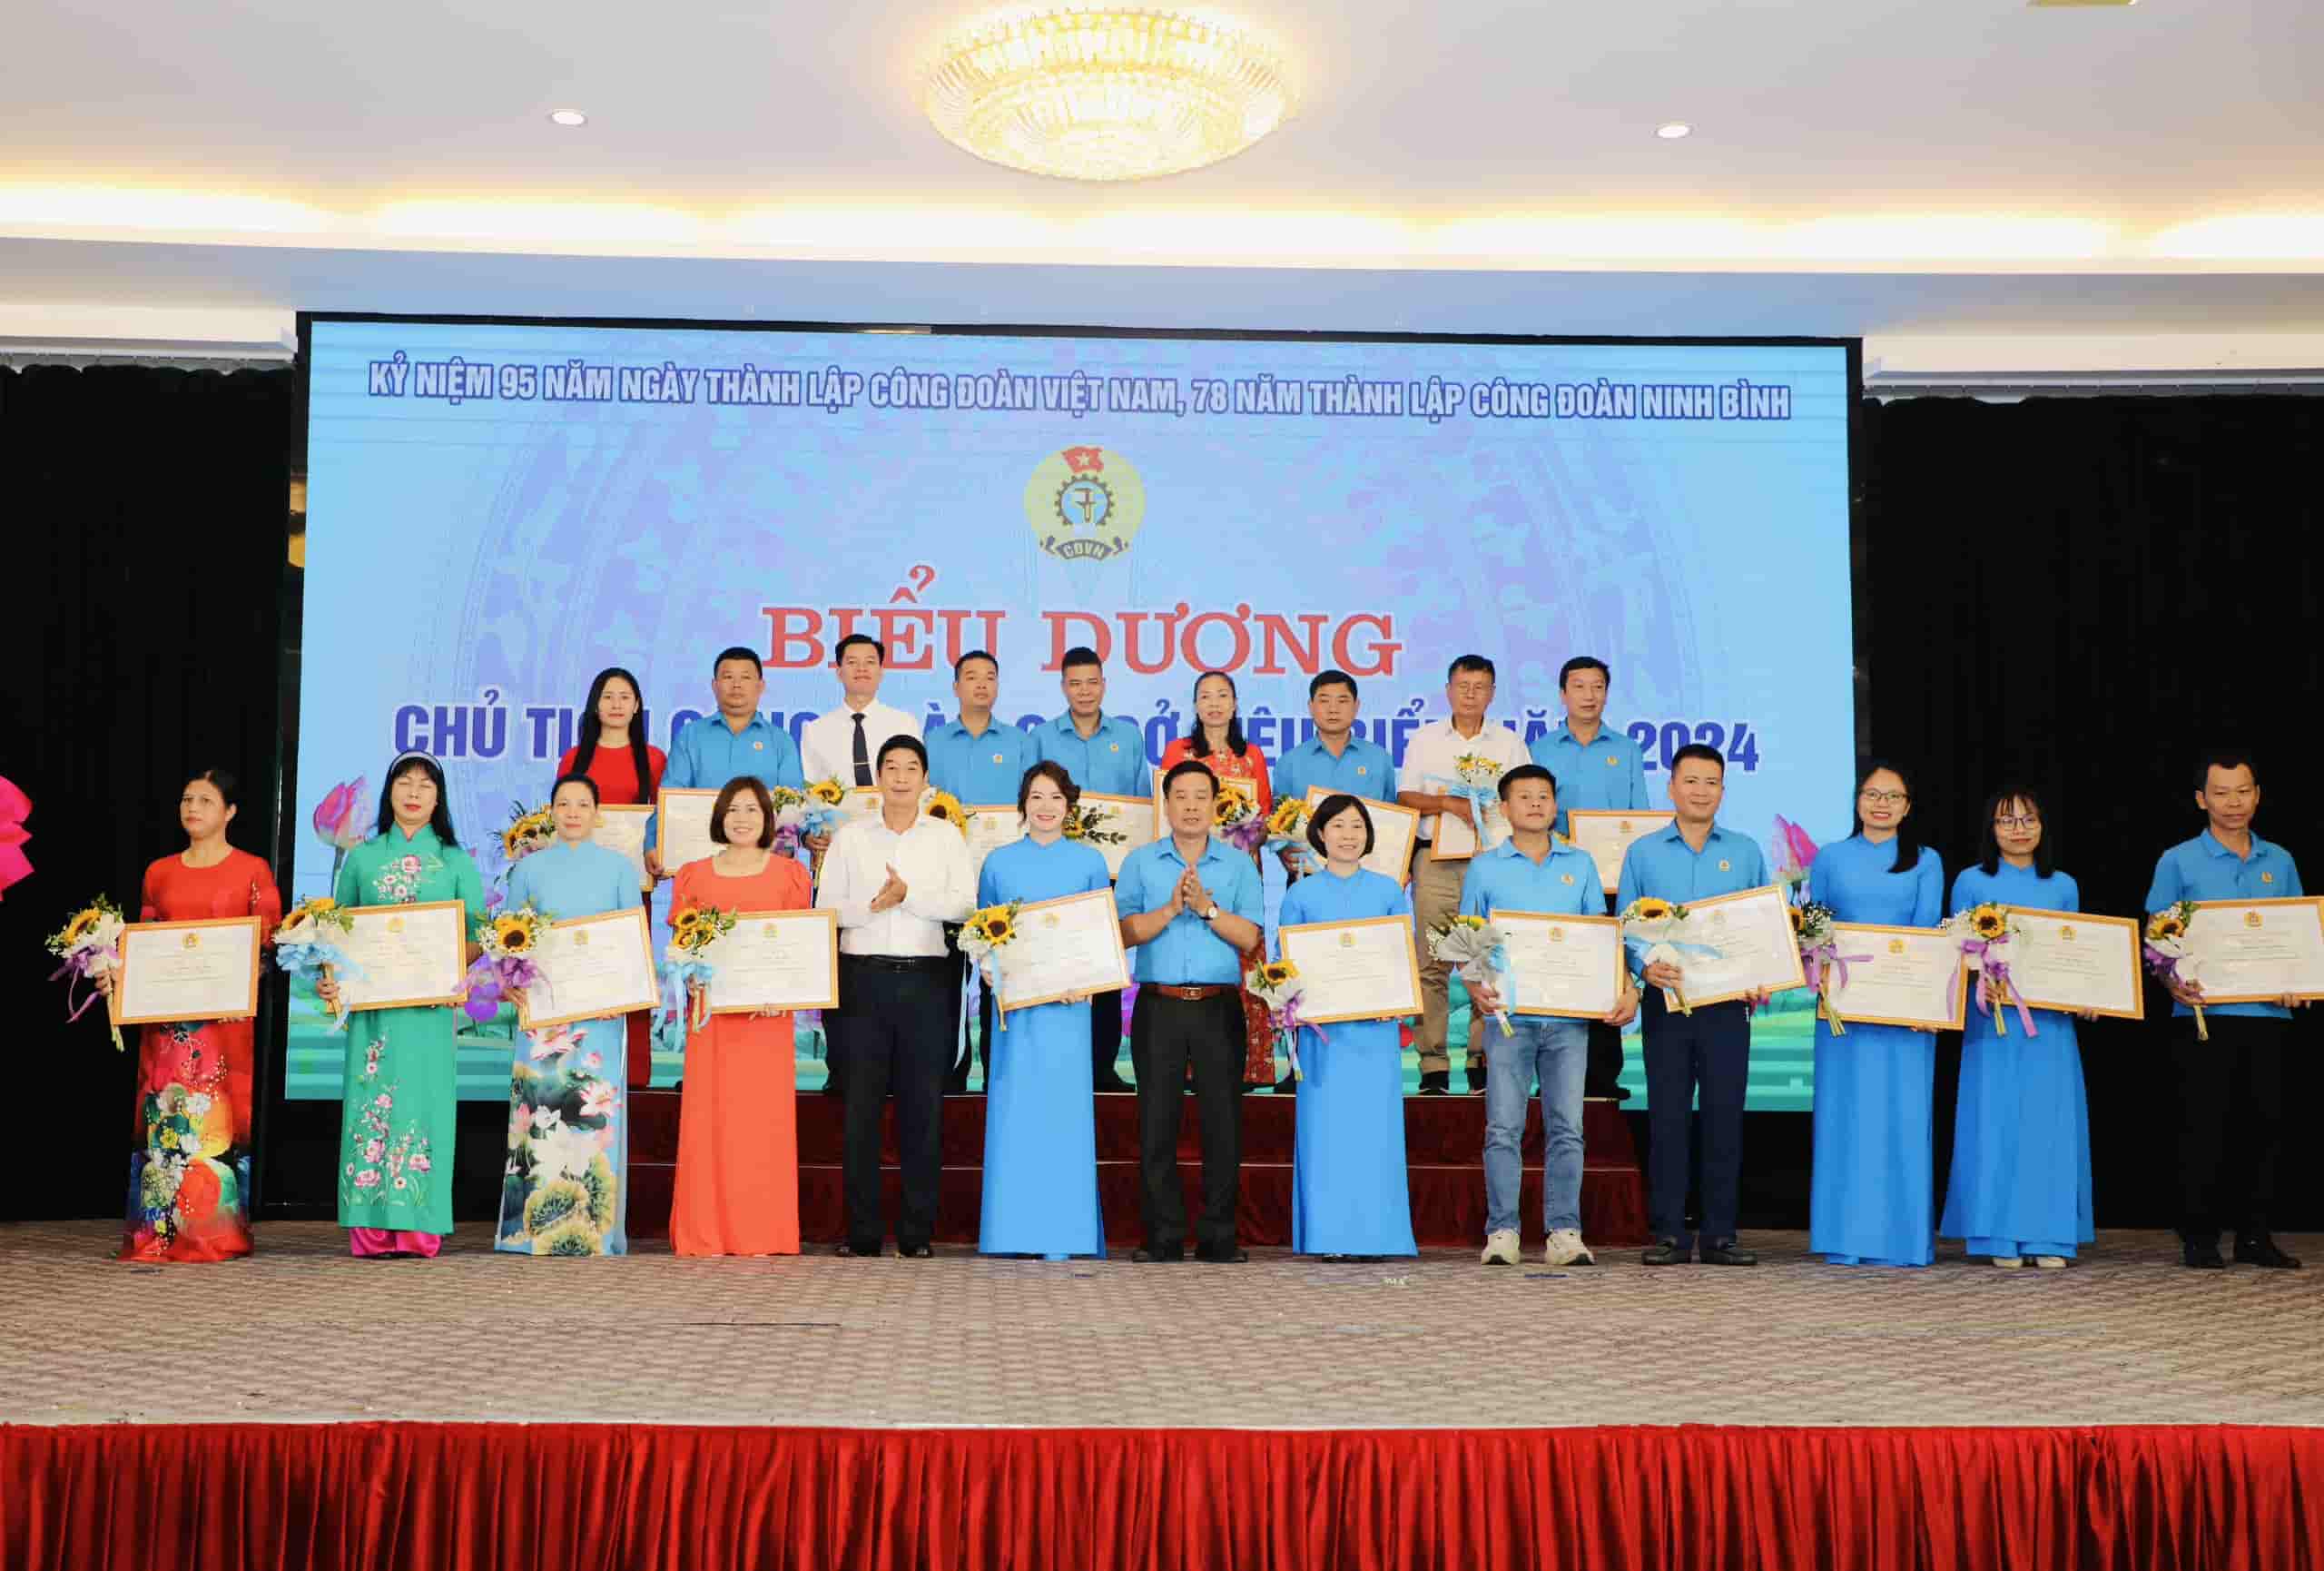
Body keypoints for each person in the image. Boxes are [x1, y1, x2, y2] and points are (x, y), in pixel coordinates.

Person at [1461, 766, 1639, 1266]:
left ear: (1555, 805)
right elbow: (1467, 941)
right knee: (1503, 1127)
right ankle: (1502, 1232)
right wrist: (1475, 984)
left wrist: (1623, 985)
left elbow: (1598, 937)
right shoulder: (1485, 867)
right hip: (1508, 1019)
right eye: (1524, 796)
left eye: (1544, 795)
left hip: (1567, 1019)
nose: (1535, 804)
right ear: (1504, 808)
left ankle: (1564, 1231)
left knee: (1567, 1126)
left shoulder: (1579, 864)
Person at [2144, 749, 2306, 1270]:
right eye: (2221, 792)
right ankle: (2200, 1237)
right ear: (2201, 799)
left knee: (2264, 1127)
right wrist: (2171, 982)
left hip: (2268, 1016)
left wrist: (2298, 982)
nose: (2233, 802)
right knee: (2202, 1127)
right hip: (2202, 1016)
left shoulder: (2279, 861)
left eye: (2243, 791)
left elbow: (2299, 936)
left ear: (2257, 795)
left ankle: (2256, 1236)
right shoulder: (2177, 860)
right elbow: (2156, 937)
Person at [320, 753, 485, 1259]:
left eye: (425, 786)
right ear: (391, 794)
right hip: (374, 1013)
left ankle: (418, 1227)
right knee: (372, 1105)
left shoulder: (456, 861)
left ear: (439, 799)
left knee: (423, 1107)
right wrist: (331, 980)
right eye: (404, 784)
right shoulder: (362, 858)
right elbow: (335, 931)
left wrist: (449, 964)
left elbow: (477, 935)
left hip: (429, 1013)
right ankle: (370, 1230)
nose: (414, 793)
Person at [113, 768, 282, 1262]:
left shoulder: (251, 869)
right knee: (166, 1116)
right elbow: (144, 941)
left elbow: (266, 942)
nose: (193, 808)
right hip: (166, 1023)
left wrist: (241, 970)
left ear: (230, 812)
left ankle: (215, 1230)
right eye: (187, 799)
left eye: (206, 801)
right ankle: (159, 1231)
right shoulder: (159, 871)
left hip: (223, 1025)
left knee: (214, 1123)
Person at [817, 736, 973, 1257]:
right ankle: (862, 1232)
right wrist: (876, 905)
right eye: (892, 767)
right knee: (860, 1110)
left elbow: (964, 906)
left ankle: (916, 1232)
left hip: (927, 982)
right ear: (878, 777)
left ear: (926, 780)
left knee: (921, 1109)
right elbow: (827, 909)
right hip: (861, 981)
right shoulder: (851, 837)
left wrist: (910, 898)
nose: (901, 777)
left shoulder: (946, 837)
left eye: (912, 768)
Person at [1616, 744, 1767, 1267]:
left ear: (1723, 790)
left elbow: (1760, 926)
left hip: (1726, 1006)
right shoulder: (1643, 852)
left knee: (1725, 1116)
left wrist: (1760, 974)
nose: (1701, 791)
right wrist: (1641, 967)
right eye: (1692, 781)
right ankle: (1668, 1233)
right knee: (1668, 1117)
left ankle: (1721, 1232)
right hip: (1667, 1004)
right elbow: (1626, 928)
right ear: (1672, 788)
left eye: (1712, 782)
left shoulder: (1746, 851)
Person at [1939, 786, 2095, 1270]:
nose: (2018, 830)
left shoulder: (2063, 886)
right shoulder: (1969, 881)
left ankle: (2050, 1236)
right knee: (1993, 1124)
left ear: (2043, 827)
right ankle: (1995, 1235)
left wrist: (2090, 994)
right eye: (2007, 821)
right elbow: (1952, 950)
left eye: (2028, 820)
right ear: (1991, 829)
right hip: (1993, 1025)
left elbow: (2080, 956)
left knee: (2048, 1126)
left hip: (2049, 1028)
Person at [1116, 760, 1264, 1262]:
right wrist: (1168, 912)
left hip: (1218, 1008)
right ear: (1167, 803)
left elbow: (1251, 938)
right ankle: (1162, 1236)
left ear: (1216, 804)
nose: (1192, 806)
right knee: (1156, 1124)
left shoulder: (1239, 865)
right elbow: (1120, 933)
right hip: (1158, 1007)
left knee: (1223, 1124)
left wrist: (1207, 908)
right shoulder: (1140, 862)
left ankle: (1219, 1236)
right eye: (1182, 796)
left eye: (1202, 796)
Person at [496, 773, 644, 1257]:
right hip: (544, 1013)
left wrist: (627, 986)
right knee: (539, 1110)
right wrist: (511, 982)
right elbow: (508, 936)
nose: (573, 812)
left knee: (590, 1110)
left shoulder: (620, 868)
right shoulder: (528, 870)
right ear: (552, 812)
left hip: (600, 1013)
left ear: (597, 813)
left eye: (583, 803)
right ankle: (530, 1229)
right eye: (564, 803)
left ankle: (594, 1228)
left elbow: (629, 940)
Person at [1807, 760, 1945, 1267]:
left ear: (1907, 807)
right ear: (1857, 800)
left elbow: (1929, 932)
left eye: (1893, 795)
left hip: (1905, 1014)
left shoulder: (1926, 860)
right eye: (1872, 793)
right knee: (1848, 1119)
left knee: (1904, 1119)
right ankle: (1844, 1236)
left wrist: (1917, 994)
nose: (1881, 803)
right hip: (1844, 1013)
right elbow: (1814, 929)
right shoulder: (1830, 857)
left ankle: (1903, 1239)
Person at [668, 776, 812, 1257]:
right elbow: (681, 948)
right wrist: (687, 975)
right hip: (711, 1021)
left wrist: (786, 990)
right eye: (733, 809)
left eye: (753, 809)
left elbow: (796, 948)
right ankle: (705, 1231)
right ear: (719, 817)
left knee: (760, 1126)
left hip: (766, 1022)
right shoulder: (693, 876)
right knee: (711, 1124)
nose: (743, 818)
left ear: (768, 818)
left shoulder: (791, 876)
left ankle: (761, 1231)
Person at [976, 761, 1113, 1259]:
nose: (1046, 807)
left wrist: (1090, 980)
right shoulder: (998, 862)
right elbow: (983, 930)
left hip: (1069, 1007)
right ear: (1022, 805)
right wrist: (989, 966)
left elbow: (1100, 931)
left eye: (1055, 797)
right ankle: (1011, 1233)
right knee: (1017, 1111)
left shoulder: (1089, 861)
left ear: (1069, 806)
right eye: (1036, 797)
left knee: (1063, 1113)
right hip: (1017, 1010)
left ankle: (1064, 1233)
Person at [1278, 795, 1418, 1260]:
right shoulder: (1300, 894)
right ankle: (1331, 1237)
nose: (1348, 835)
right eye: (1337, 825)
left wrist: (1395, 998)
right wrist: (1290, 997)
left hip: (1374, 1034)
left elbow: (1402, 956)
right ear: (1319, 834)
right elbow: (1283, 965)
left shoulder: (1387, 890)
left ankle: (1379, 1236)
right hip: (1324, 1036)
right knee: (1328, 1135)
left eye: (1357, 826)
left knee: (1374, 1133)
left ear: (1369, 835)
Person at [1396, 654, 1529, 1094]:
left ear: (1492, 693)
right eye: (1463, 686)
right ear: (1449, 690)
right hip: (1435, 861)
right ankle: (1433, 1064)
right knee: (1432, 964)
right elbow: (1407, 796)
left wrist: (1491, 802)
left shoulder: (1508, 743)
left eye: (1481, 687)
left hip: (1492, 863)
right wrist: (1451, 804)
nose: (1471, 694)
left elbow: (1525, 794)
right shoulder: (1426, 739)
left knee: (1488, 959)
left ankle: (1482, 1060)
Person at [1531, 656, 1652, 1102]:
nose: (1588, 695)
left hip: (1614, 876)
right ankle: (1554, 1071)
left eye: (1596, 686)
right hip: (1556, 874)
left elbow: (1639, 816)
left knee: (1608, 964)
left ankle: (1603, 1073)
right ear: (1563, 694)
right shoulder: (1541, 749)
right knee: (1561, 963)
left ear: (1606, 692)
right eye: (1578, 686)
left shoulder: (1627, 749)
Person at [1034, 646, 1147, 1092]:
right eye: (1075, 683)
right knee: (1057, 964)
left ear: (1104, 684)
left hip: (1112, 873)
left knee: (1104, 965)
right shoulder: (1042, 737)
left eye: (1092, 682)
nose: (1084, 691)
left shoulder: (1129, 737)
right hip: (1054, 869)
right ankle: (1056, 1058)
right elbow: (1033, 801)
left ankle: (1102, 1064)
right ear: (1063, 687)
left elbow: (1141, 806)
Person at [1159, 670, 1276, 1087]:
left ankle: (1248, 1064)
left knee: (1243, 953)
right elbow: (1167, 808)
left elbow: (1265, 820)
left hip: (1241, 867)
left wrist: (1244, 829)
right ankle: (1188, 1063)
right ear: (1194, 705)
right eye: (1205, 696)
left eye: (1222, 695)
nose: (1214, 703)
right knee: (1192, 950)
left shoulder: (1253, 757)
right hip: (1190, 863)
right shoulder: (1180, 750)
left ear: (1234, 703)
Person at [927, 648, 1035, 1092]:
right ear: (955, 687)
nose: (981, 684)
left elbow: (1033, 810)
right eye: (971, 677)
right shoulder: (931, 743)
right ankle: (950, 1074)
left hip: (1003, 883)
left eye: (990, 676)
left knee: (1001, 979)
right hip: (945, 881)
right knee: (948, 982)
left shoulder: (1019, 743)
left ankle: (1000, 1076)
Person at [556, 666, 668, 1091]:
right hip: (576, 887)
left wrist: (659, 858)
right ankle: (578, 1068)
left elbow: (664, 822)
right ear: (595, 705)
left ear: (637, 705)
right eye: (608, 696)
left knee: (632, 975)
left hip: (632, 887)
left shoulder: (654, 759)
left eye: (625, 697)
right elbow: (562, 818)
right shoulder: (574, 758)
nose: (617, 704)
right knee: (581, 970)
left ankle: (636, 1077)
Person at [656, 647, 805, 874]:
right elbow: (670, 796)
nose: (736, 685)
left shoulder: (781, 741)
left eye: (745, 677)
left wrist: (786, 850)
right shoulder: (691, 735)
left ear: (761, 686)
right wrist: (653, 843)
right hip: (701, 859)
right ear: (714, 685)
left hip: (764, 865)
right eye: (728, 677)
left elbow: (793, 806)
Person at [800, 633, 920, 789]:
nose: (861, 669)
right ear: (839, 673)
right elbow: (812, 792)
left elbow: (917, 782)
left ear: (881, 672)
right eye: (852, 662)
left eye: (870, 662)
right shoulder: (815, 730)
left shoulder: (904, 724)